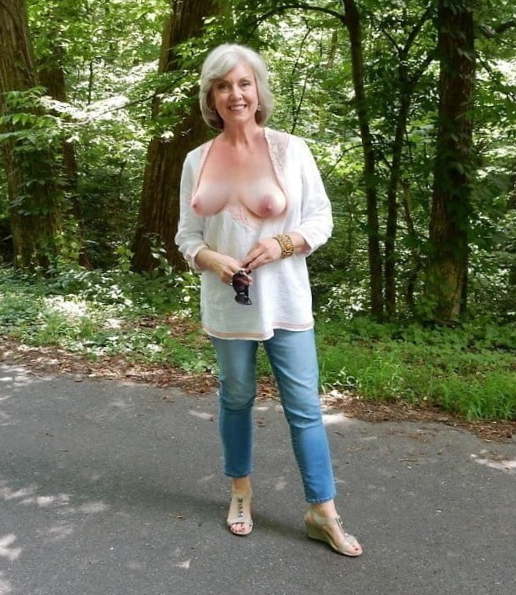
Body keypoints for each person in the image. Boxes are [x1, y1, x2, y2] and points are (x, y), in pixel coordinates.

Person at [175, 43, 362, 557]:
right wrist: (209, 258)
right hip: (227, 305)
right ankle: (240, 492)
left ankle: (322, 511)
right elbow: (187, 235)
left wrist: (283, 243)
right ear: (211, 96)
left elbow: (320, 218)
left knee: (304, 407)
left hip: (286, 302)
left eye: (243, 83)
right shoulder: (196, 160)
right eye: (222, 86)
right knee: (236, 398)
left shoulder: (291, 149)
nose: (234, 94)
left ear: (258, 91)